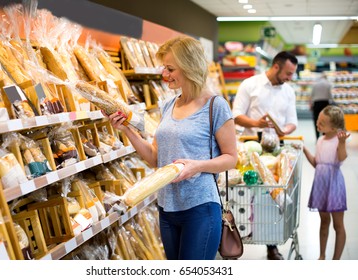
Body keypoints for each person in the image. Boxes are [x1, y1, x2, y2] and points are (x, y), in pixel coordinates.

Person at [106, 36, 238, 260]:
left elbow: (231, 158)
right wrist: (127, 129)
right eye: (163, 68)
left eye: (170, 68)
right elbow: (156, 158)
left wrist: (197, 166)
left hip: (200, 208)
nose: (164, 75)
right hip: (167, 207)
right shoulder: (168, 105)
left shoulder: (215, 106)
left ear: (189, 67)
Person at [232, 51, 299, 260]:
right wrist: (256, 124)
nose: (290, 78)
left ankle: (271, 245)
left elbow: (292, 120)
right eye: (288, 73)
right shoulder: (250, 85)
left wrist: (285, 129)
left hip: (276, 149)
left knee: (272, 196)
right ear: (276, 66)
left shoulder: (288, 91)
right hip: (250, 150)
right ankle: (237, 238)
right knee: (247, 196)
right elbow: (235, 116)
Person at [303, 105, 349, 260]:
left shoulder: (338, 140)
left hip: (334, 184)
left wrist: (342, 143)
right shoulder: (321, 140)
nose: (317, 124)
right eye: (318, 120)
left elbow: (342, 158)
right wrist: (304, 150)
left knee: (338, 225)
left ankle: (336, 260)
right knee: (323, 221)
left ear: (334, 127)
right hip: (320, 184)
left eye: (322, 123)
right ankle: (322, 256)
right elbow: (317, 163)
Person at [310, 73, 333, 139]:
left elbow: (311, 95)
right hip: (325, 103)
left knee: (316, 120)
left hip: (316, 103)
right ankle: (324, 135)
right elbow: (330, 96)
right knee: (325, 120)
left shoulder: (315, 84)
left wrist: (311, 104)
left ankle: (317, 136)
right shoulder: (328, 84)